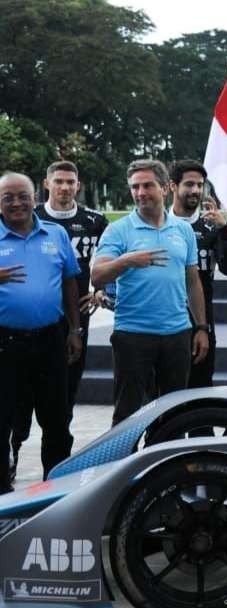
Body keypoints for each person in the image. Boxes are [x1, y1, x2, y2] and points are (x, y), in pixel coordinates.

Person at [92, 160, 208, 425]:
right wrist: (127, 261)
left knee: (174, 414)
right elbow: (97, 276)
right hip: (133, 334)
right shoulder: (118, 229)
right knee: (127, 415)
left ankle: (167, 466)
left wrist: (201, 326)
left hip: (177, 333)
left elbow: (192, 281)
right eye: (135, 187)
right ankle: (124, 466)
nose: (140, 192)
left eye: (147, 185)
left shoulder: (183, 229)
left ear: (165, 188)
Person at [0, 172, 82, 491]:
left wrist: (74, 329)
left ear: (35, 196)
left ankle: (56, 488)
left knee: (57, 421)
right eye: (8, 197)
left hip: (50, 339)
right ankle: (3, 497)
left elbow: (69, 281)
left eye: (23, 195)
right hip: (4, 343)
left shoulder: (56, 233)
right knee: (2, 420)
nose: (17, 202)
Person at [29, 161, 108, 422]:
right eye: (59, 181)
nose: (64, 187)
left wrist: (101, 289)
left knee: (71, 374)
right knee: (30, 376)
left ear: (78, 185)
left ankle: (62, 429)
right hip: (38, 309)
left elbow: (111, 256)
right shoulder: (32, 217)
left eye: (70, 182)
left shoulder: (95, 221)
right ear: (46, 184)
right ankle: (17, 438)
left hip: (78, 309)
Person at [168, 160, 227, 388]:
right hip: (163, 320)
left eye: (200, 185)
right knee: (163, 391)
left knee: (200, 387)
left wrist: (225, 230)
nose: (196, 191)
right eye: (189, 184)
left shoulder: (211, 225)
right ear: (173, 186)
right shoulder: (159, 223)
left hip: (200, 321)